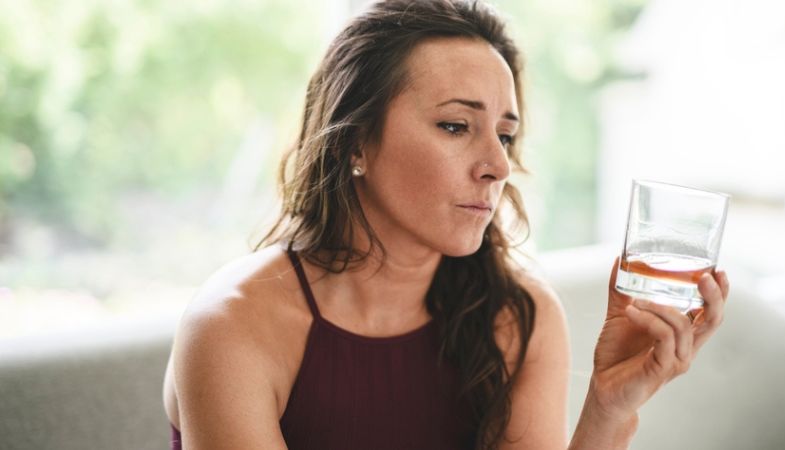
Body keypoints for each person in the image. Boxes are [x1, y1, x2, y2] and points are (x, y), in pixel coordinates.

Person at [161, 0, 730, 449]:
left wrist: (609, 407)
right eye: (457, 126)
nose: (499, 165)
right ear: (357, 140)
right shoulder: (233, 328)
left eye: (504, 135)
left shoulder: (517, 315)